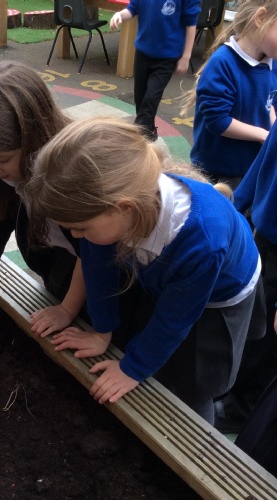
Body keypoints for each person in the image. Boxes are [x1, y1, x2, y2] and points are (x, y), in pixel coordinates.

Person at [25, 116, 265, 425]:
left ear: (124, 208)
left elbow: (175, 319)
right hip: (169, 275)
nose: (75, 236)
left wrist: (132, 369)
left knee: (194, 381)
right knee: (155, 343)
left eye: (81, 228)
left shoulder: (203, 242)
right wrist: (102, 331)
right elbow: (97, 266)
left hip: (220, 297)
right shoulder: (115, 208)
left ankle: (199, 435)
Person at [0, 60, 86, 342]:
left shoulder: (75, 172)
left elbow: (95, 253)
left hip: (110, 280)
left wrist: (67, 310)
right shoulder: (9, 170)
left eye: (1, 159)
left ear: (36, 136)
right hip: (62, 265)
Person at [216, 121, 277, 433]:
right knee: (255, 321)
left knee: (268, 341)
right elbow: (269, 154)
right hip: (265, 232)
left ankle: (242, 407)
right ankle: (235, 389)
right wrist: (236, 206)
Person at [183, 0, 277, 190]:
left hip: (251, 166)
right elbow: (218, 121)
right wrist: (264, 136)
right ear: (260, 18)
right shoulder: (222, 63)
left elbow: (270, 103)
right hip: (219, 171)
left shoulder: (271, 62)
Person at [109, 0, 200, 142]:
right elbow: (132, 8)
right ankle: (149, 130)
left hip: (167, 58)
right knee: (140, 98)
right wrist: (119, 15)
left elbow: (191, 23)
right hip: (143, 53)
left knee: (151, 98)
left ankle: (137, 137)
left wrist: (186, 56)